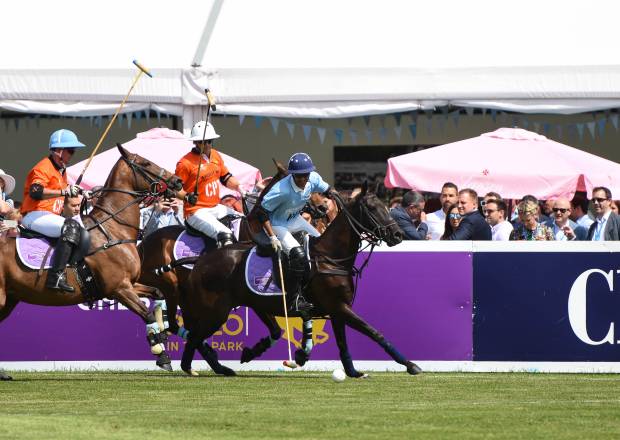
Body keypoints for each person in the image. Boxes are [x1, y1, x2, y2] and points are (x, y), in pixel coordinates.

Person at [256, 152, 335, 313]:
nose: (303, 179)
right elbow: (261, 212)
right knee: (298, 255)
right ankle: (294, 299)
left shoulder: (313, 178)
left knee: (320, 243)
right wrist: (272, 236)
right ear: (292, 175)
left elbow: (329, 190)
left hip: (294, 219)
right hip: (278, 224)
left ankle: (315, 286)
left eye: (305, 175)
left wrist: (339, 200)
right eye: (298, 176)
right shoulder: (281, 190)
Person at [20, 129, 86, 291]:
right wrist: (64, 191)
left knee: (84, 231)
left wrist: (79, 192)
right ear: (59, 151)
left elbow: (61, 195)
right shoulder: (43, 167)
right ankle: (55, 277)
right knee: (71, 227)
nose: (72, 154)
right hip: (34, 215)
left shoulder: (61, 171)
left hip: (49, 217)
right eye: (70, 151)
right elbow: (35, 191)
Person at [175, 121, 245, 248]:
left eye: (209, 141)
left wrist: (240, 188)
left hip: (215, 208)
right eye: (202, 142)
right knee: (225, 235)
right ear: (195, 142)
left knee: (243, 220)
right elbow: (176, 189)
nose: (206, 145)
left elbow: (225, 177)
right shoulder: (185, 163)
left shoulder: (215, 155)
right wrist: (187, 197)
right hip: (195, 212)